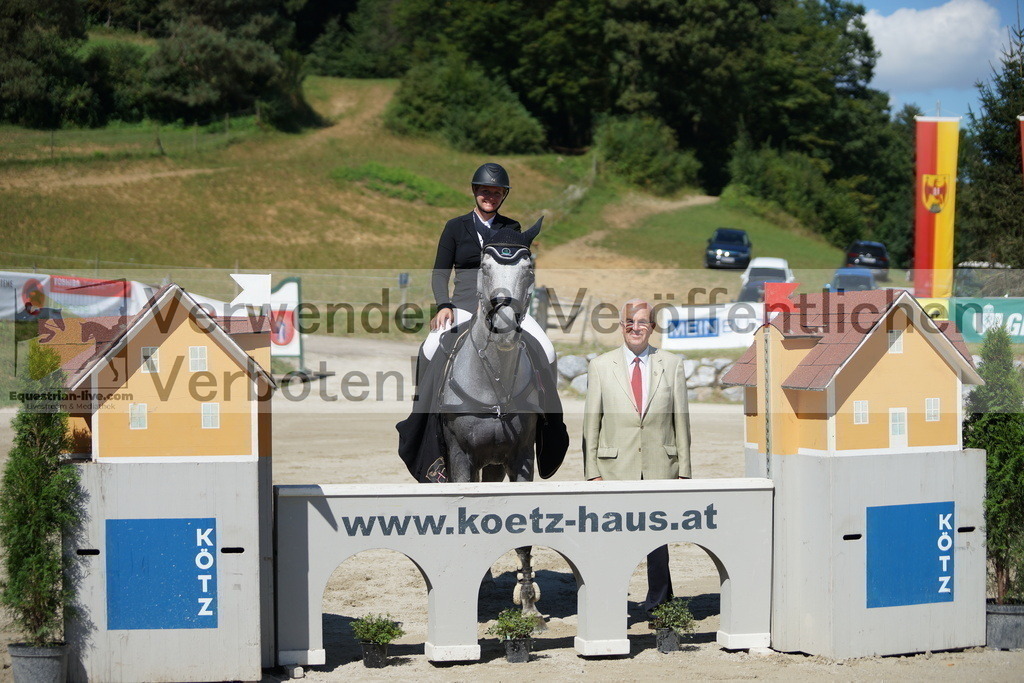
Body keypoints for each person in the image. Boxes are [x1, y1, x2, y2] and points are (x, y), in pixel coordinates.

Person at [582, 298, 691, 618]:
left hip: (661, 466)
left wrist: (684, 468)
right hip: (614, 469)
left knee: (658, 542)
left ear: (652, 328)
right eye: (629, 321)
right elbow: (592, 423)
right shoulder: (601, 366)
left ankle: (661, 602)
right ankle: (610, 603)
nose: (635, 327)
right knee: (614, 541)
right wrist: (592, 472)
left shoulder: (672, 364)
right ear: (621, 326)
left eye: (642, 322)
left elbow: (681, 420)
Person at [423, 162, 554, 363]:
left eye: (497, 193)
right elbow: (441, 272)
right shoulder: (455, 226)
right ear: (475, 191)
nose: (491, 197)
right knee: (430, 348)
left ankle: (548, 395)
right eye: (485, 191)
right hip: (464, 307)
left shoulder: (511, 227)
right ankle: (423, 395)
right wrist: (443, 305)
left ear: (504, 196)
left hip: (505, 308)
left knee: (547, 348)